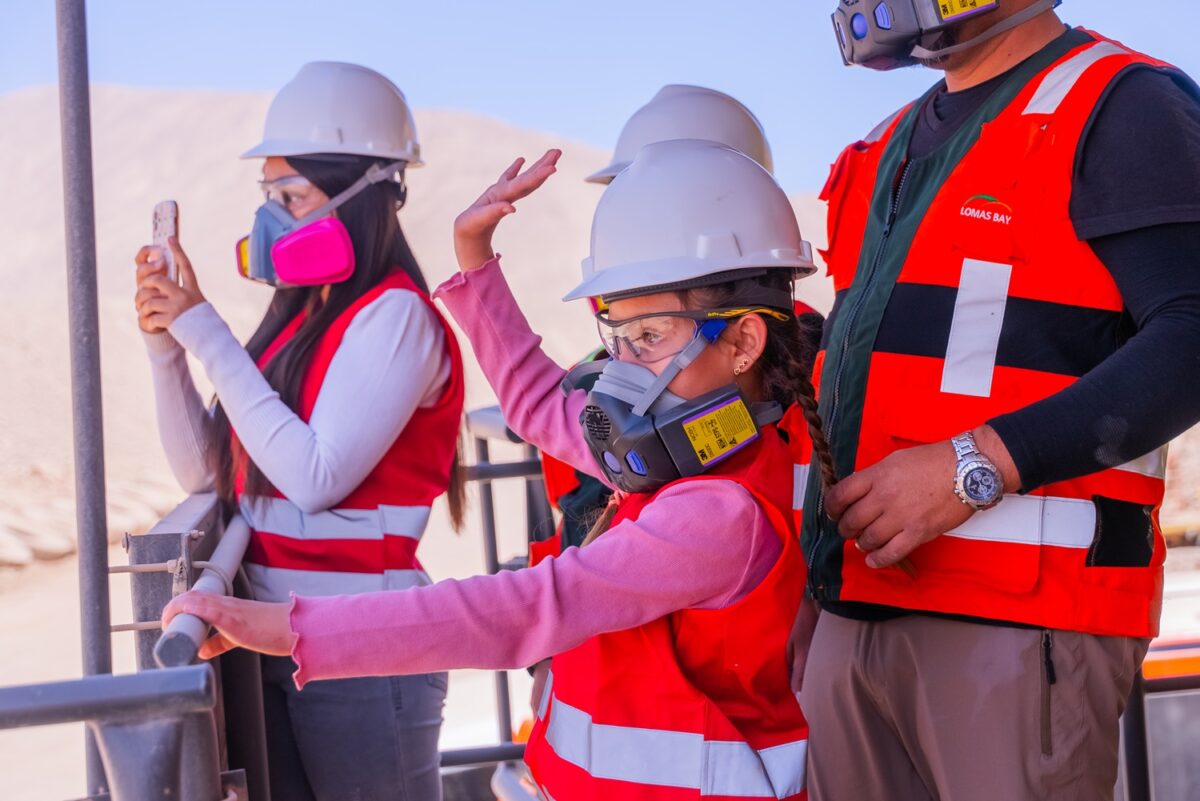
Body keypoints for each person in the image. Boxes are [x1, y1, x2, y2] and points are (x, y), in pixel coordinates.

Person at [164, 139, 829, 800]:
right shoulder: (680, 453)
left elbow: (522, 610)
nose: (622, 372)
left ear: (743, 342)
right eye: (614, 337)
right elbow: (541, 403)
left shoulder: (715, 513)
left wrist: (289, 628)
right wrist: (475, 259)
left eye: (650, 339)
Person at [799, 2, 1200, 799]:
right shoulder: (880, 146)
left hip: (1019, 627)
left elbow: (1191, 335)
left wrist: (970, 467)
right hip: (850, 614)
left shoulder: (1122, 101)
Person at [134, 62, 465, 801]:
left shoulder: (397, 316)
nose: (273, 218)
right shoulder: (298, 319)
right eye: (270, 198)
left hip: (370, 647)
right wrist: (168, 349)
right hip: (275, 633)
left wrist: (207, 332)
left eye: (292, 196)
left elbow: (317, 478)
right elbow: (209, 475)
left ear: (361, 196)